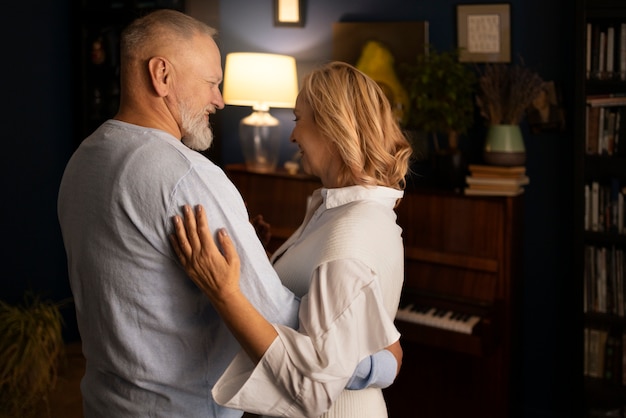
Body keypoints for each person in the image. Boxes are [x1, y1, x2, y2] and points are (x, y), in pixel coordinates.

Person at [57, 10, 398, 418]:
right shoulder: (187, 176)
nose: (219, 100)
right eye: (212, 83)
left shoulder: (83, 160)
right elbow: (283, 323)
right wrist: (377, 359)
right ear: (161, 75)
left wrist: (251, 250)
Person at [171, 61, 412, 417]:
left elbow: (311, 387)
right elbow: (350, 329)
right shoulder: (342, 212)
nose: (292, 136)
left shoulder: (352, 231)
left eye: (298, 119)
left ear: (332, 126)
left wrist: (225, 293)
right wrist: (265, 258)